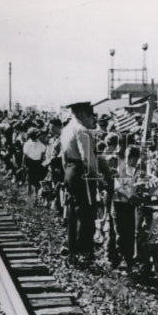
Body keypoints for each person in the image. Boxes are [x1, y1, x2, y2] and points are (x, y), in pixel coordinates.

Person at [60, 101, 100, 264]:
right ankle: (84, 251)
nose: (93, 120)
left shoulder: (66, 129)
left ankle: (72, 247)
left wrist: (68, 172)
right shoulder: (82, 131)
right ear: (83, 114)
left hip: (70, 170)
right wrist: (97, 177)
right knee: (86, 212)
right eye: (91, 116)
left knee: (73, 211)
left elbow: (63, 156)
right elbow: (87, 159)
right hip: (83, 172)